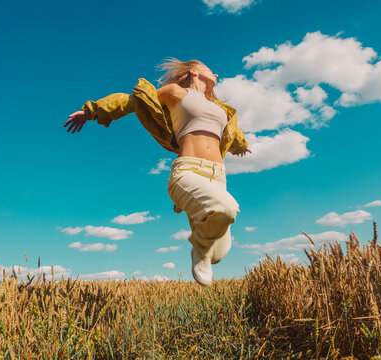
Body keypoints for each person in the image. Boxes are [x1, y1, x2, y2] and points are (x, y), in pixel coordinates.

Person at [64, 58, 251, 287]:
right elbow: (134, 100)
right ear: (194, 72)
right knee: (227, 209)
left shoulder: (220, 109)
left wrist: (242, 145)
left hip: (218, 178)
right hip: (189, 171)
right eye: (211, 70)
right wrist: (91, 111)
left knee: (219, 255)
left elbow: (234, 133)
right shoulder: (176, 93)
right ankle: (199, 247)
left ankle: (202, 245)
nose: (217, 75)